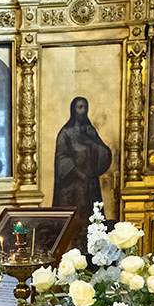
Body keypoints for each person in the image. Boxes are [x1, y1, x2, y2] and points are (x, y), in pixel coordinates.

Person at [53, 96, 112, 248]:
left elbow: (104, 152)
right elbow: (61, 160)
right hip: (72, 188)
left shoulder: (90, 131)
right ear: (73, 109)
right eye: (80, 107)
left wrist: (91, 144)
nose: (83, 110)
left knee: (91, 223)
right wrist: (77, 171)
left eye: (85, 107)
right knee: (75, 225)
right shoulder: (65, 133)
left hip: (90, 187)